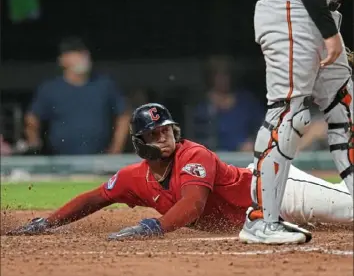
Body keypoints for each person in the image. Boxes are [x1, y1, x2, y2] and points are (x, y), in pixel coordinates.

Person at [7, 103, 353, 241]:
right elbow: (94, 198)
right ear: (141, 143)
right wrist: (47, 223)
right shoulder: (134, 178)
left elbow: (193, 205)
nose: (166, 137)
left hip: (281, 193)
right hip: (258, 218)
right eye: (155, 134)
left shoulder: (193, 155)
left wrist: (153, 226)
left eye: (168, 130)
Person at [240, 0, 354, 245]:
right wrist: (328, 31)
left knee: (345, 114)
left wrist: (327, 27)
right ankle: (260, 219)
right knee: (289, 116)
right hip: (294, 10)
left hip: (320, 12)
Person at [24, 36, 131, 155]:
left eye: (84, 53)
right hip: (60, 162)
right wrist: (35, 145)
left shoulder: (105, 85)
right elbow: (32, 119)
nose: (83, 57)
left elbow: (124, 116)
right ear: (62, 60)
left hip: (100, 160)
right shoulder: (50, 89)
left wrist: (115, 151)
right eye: (76, 53)